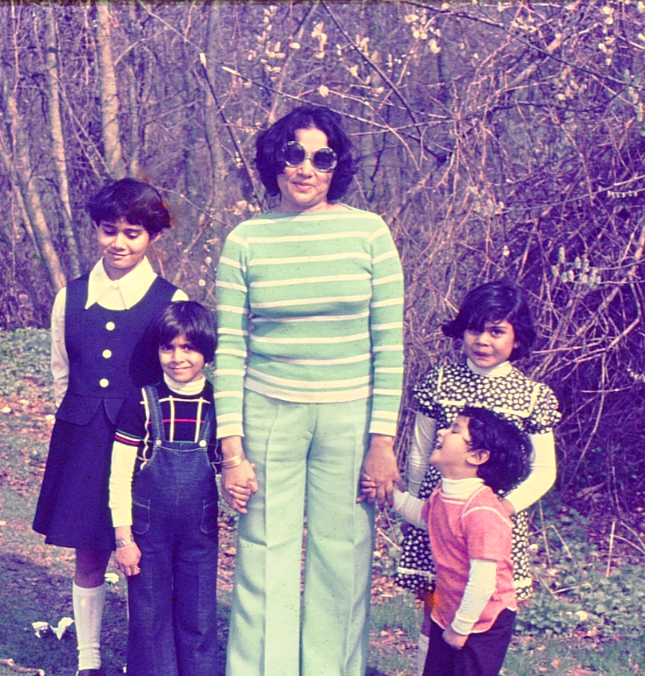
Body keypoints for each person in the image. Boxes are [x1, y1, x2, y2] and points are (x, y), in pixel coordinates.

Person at [214, 104, 405, 676]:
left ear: (336, 167)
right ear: (275, 160)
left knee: (342, 556)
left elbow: (389, 345)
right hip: (269, 411)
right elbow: (230, 349)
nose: (306, 168)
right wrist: (232, 451)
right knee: (262, 552)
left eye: (322, 158)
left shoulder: (369, 234)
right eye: (294, 154)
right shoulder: (246, 239)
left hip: (350, 417)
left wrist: (382, 441)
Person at [32, 178, 186, 676]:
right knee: (89, 550)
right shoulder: (70, 297)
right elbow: (61, 371)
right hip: (83, 439)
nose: (118, 243)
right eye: (108, 230)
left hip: (144, 447)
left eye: (132, 233)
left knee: (146, 553)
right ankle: (89, 658)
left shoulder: (170, 299)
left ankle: (150, 659)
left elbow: (179, 379)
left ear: (153, 237)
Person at [394, 280, 561, 673]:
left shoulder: (531, 396)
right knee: (436, 607)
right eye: (474, 329)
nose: (483, 341)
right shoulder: (439, 382)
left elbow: (543, 470)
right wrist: (416, 508)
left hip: (490, 525)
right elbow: (419, 452)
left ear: (517, 338)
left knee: (484, 611)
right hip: (438, 516)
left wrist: (504, 508)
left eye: (496, 331)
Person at [367, 407, 531, 676]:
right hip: (450, 609)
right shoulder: (445, 493)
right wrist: (387, 492)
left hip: (484, 619)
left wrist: (460, 628)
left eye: (455, 429)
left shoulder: (482, 511)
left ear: (478, 456)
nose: (442, 431)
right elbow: (425, 515)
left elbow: (483, 582)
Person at [108, 301, 220, 676]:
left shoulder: (219, 404)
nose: (177, 358)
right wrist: (124, 539)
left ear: (206, 350)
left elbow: (230, 467)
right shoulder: (142, 400)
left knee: (198, 615)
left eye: (188, 347)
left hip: (200, 532)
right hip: (147, 533)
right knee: (149, 615)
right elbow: (119, 475)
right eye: (168, 347)